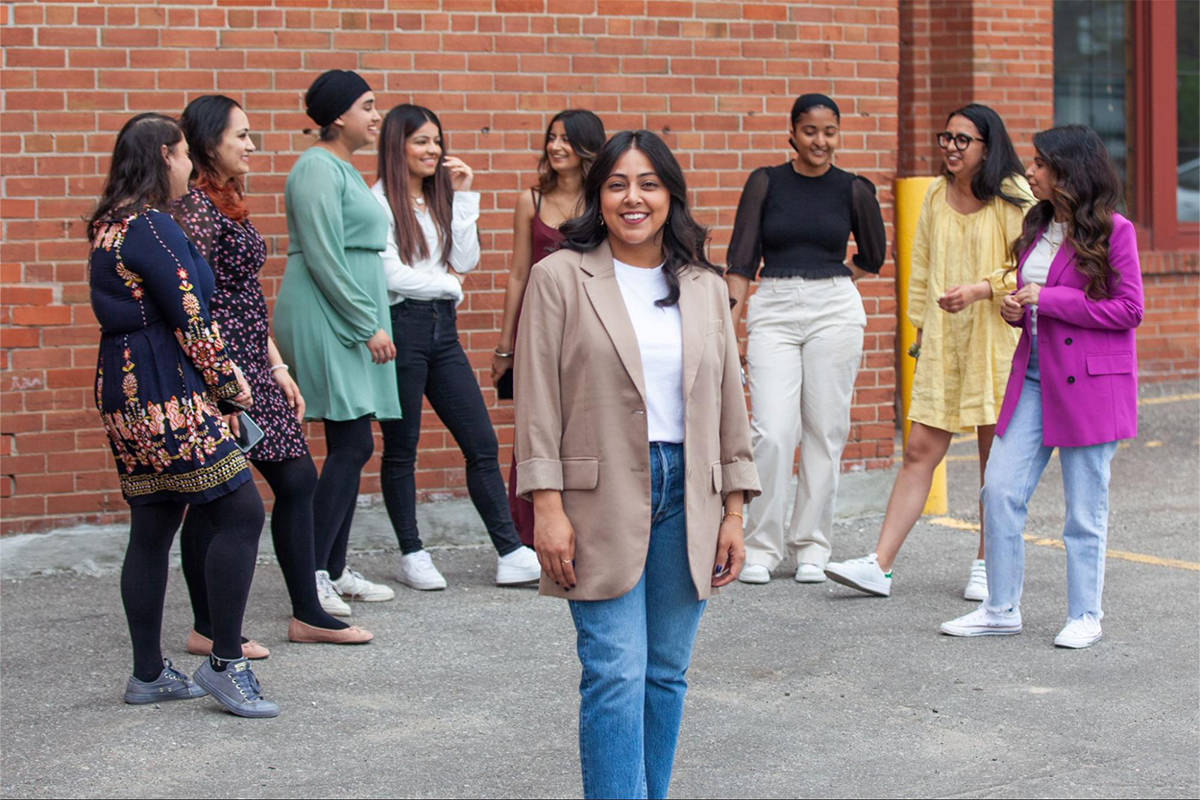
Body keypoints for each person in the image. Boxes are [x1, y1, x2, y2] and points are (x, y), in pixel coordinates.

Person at [515, 130, 760, 799]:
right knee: (615, 671)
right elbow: (537, 397)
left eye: (648, 183)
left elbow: (727, 402)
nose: (633, 198)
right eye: (617, 183)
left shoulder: (704, 286)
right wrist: (547, 505)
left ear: (670, 195)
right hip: (597, 497)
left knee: (665, 673)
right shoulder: (559, 276)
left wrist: (736, 509)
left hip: (692, 492)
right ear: (598, 196)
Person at [89, 112, 277, 718]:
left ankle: (150, 674)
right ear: (167, 156)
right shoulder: (152, 229)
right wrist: (231, 387)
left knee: (154, 521)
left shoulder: (108, 228)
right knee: (242, 510)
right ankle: (227, 662)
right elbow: (190, 319)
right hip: (165, 388)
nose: (191, 168)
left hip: (122, 390)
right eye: (183, 157)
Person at [173, 95, 372, 648]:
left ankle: (306, 613)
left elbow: (244, 296)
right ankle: (207, 628)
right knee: (214, 496)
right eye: (241, 135)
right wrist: (220, 377)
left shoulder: (228, 200)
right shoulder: (192, 209)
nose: (251, 145)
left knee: (297, 479)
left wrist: (276, 362)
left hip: (254, 364)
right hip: (218, 369)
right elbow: (192, 303)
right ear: (210, 141)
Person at [942, 125, 1143, 648]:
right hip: (1033, 377)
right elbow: (1028, 296)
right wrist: (1015, 310)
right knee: (999, 490)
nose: (1029, 171)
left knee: (1083, 510)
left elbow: (1129, 309)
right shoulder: (1036, 223)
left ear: (1068, 171)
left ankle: (1085, 615)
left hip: (1091, 385)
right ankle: (1000, 608)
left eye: (1039, 164)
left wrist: (1046, 301)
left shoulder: (1115, 231)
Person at [824, 104, 1033, 599]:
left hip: (997, 339)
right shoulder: (937, 194)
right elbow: (919, 265)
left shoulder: (1014, 196)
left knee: (993, 459)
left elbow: (1028, 267)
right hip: (943, 339)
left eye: (963, 140)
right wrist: (919, 328)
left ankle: (988, 561)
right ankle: (879, 564)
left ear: (988, 147)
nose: (951, 148)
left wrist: (981, 290)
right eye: (947, 138)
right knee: (919, 450)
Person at [370, 104, 540, 590]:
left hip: (444, 331)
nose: (433, 150)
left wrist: (463, 199)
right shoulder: (378, 202)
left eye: (436, 141)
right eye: (421, 141)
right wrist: (446, 285)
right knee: (402, 449)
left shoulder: (437, 198)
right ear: (396, 145)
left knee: (481, 442)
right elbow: (387, 275)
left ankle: (510, 552)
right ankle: (412, 552)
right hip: (401, 330)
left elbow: (465, 259)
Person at [725, 93, 887, 586]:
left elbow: (874, 257)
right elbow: (740, 261)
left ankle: (812, 546)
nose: (820, 140)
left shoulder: (853, 188)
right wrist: (728, 330)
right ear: (792, 133)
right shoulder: (766, 182)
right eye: (811, 130)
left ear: (839, 134)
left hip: (834, 309)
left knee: (825, 430)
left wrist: (829, 282)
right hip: (773, 305)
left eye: (829, 131)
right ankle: (761, 548)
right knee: (772, 432)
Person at [274, 70, 401, 614]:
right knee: (351, 443)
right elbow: (324, 255)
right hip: (328, 313)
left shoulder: (339, 168)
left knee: (355, 443)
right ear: (338, 115)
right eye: (367, 106)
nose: (376, 116)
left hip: (345, 311)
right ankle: (315, 573)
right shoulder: (315, 169)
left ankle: (333, 565)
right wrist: (363, 322)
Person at [492, 109, 606, 549]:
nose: (556, 146)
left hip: (591, 326)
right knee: (535, 427)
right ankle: (526, 535)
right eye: (552, 138)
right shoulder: (531, 200)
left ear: (587, 147)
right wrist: (505, 347)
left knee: (585, 424)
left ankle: (584, 524)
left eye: (567, 139)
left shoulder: (604, 200)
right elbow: (519, 273)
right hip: (538, 329)